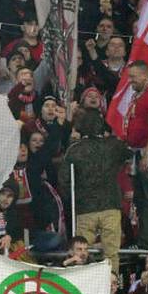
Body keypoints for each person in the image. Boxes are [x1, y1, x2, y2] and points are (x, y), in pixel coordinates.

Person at [59, 108, 129, 273]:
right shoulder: (113, 146)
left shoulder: (74, 149)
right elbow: (129, 153)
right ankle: (110, 290)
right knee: (111, 254)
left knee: (81, 253)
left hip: (85, 208)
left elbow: (64, 180)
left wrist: (73, 199)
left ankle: (82, 288)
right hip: (111, 205)